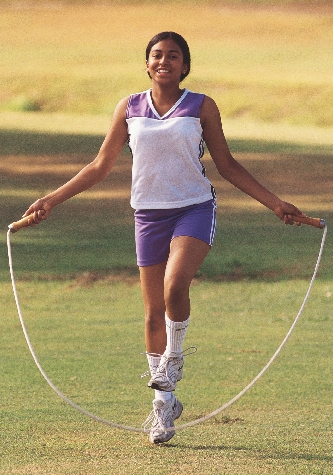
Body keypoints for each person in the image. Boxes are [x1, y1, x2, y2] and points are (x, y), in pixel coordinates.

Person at [23, 31, 304, 444]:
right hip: (148, 215)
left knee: (176, 286)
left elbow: (227, 165)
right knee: (153, 312)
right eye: (157, 55)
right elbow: (101, 165)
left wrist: (276, 203)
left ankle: (173, 360)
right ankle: (163, 407)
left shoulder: (201, 106)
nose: (164, 62)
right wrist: (52, 199)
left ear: (184, 66)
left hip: (193, 208)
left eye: (174, 56)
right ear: (147, 63)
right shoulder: (129, 107)